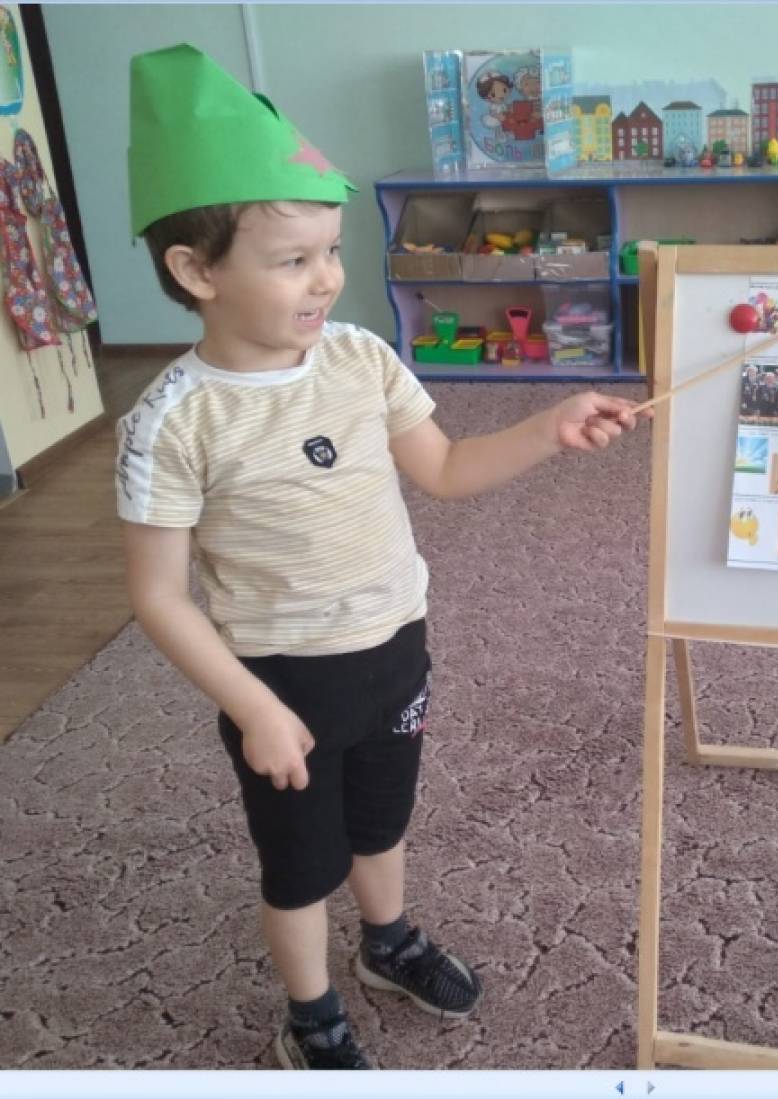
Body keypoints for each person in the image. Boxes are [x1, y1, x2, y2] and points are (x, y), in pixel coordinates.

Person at [118, 44, 645, 1071]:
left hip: (395, 646)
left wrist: (548, 428)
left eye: (330, 249)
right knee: (298, 867)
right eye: (293, 260)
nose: (327, 277)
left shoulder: (360, 356)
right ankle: (311, 1010)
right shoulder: (173, 420)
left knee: (381, 820)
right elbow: (157, 595)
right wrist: (253, 707)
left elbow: (443, 467)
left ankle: (388, 939)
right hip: (282, 680)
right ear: (195, 271)